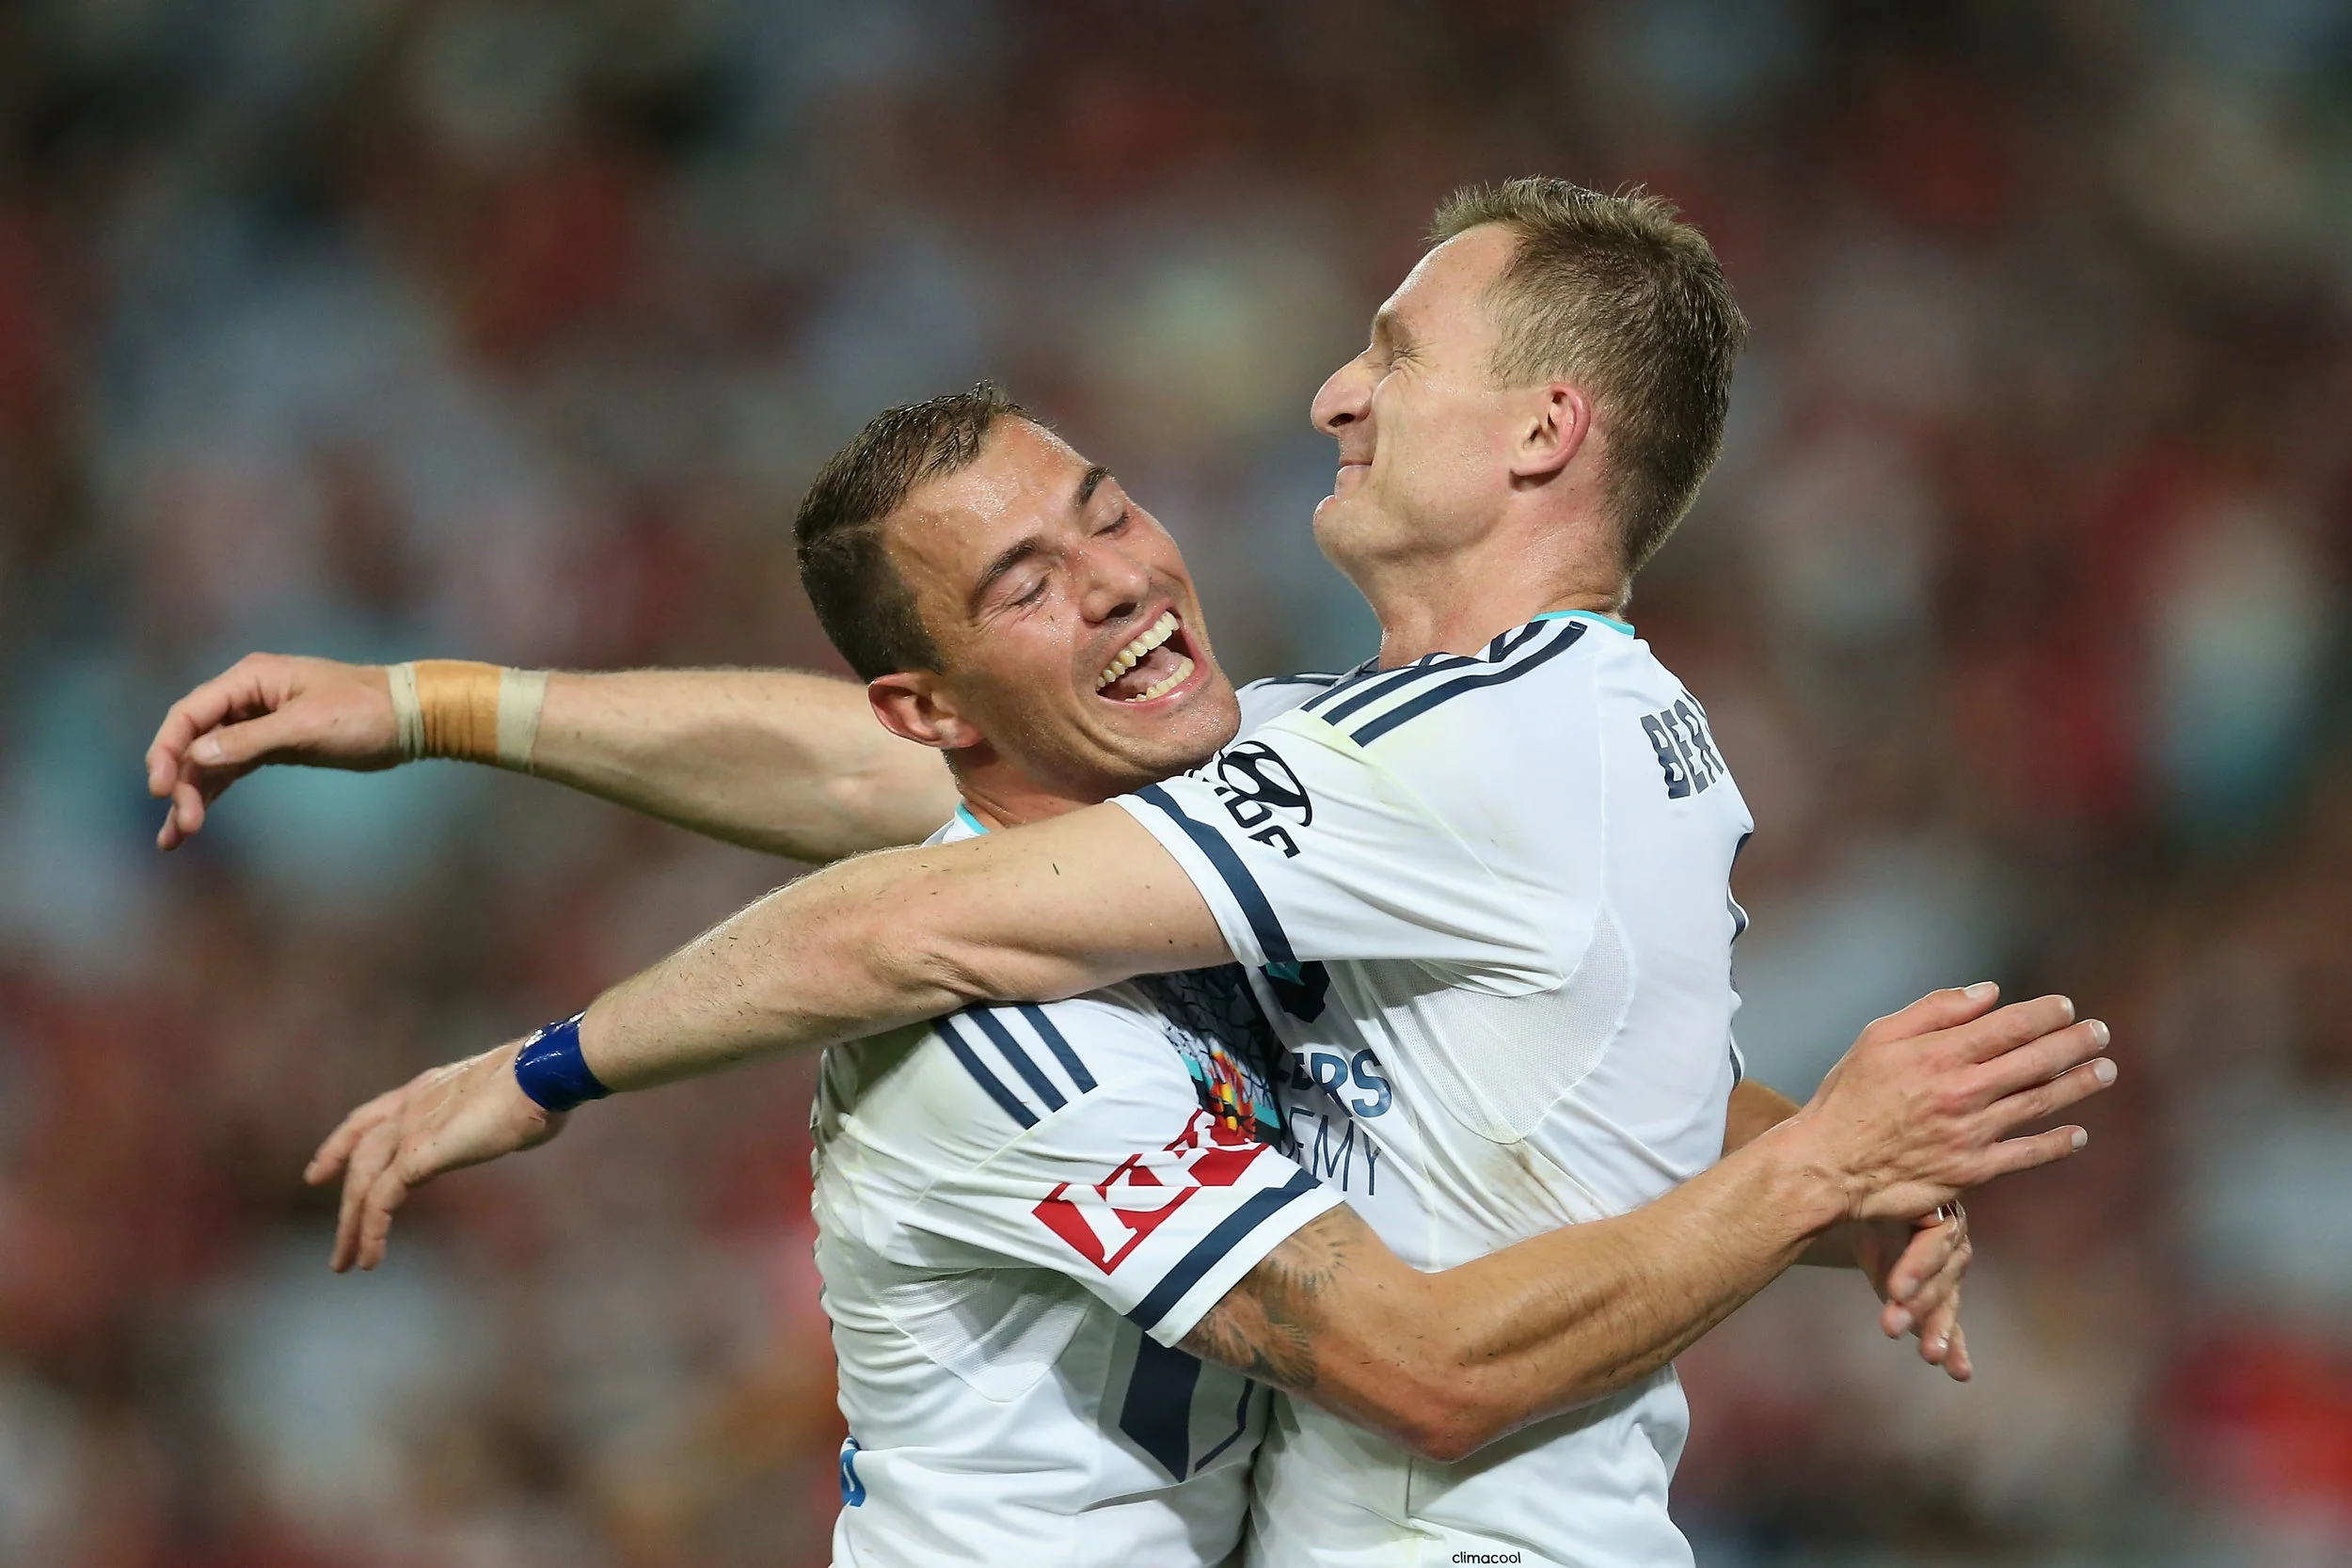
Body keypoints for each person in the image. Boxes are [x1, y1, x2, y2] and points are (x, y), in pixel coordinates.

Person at [151, 182, 2115, 1567]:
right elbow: (892, 871)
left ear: (1540, 429)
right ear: (943, 700)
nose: (1329, 395)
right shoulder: (1038, 1027)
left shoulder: (1437, 755)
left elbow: (909, 847)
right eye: (1026, 581)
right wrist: (444, 731)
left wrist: (1818, 1175)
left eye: (1101, 513)